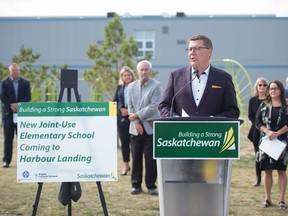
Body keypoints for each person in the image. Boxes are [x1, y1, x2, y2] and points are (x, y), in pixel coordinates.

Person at [159, 34, 239, 118]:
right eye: (190, 49)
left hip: (211, 130)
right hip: (181, 130)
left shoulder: (224, 78)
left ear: (209, 52)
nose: (192, 52)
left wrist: (215, 121)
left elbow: (233, 111)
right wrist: (175, 119)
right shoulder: (175, 76)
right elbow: (164, 106)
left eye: (197, 48)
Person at [127, 60, 162, 195]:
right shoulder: (130, 87)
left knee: (150, 159)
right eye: (141, 69)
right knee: (135, 157)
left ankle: (151, 186)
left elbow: (153, 106)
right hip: (135, 127)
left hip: (151, 127)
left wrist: (136, 115)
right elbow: (129, 106)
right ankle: (136, 185)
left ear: (150, 71)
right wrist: (136, 122)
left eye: (146, 69)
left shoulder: (157, 86)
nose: (144, 72)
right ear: (138, 71)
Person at [255, 80, 288, 209]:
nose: (272, 91)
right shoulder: (264, 105)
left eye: (275, 88)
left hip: (281, 142)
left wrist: (277, 133)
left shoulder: (286, 107)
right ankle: (267, 199)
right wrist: (267, 131)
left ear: (281, 90)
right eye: (271, 89)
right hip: (266, 143)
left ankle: (282, 200)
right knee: (267, 170)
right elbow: (258, 121)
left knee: (281, 170)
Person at [1, 63, 31, 168]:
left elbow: (28, 97)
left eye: (16, 70)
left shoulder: (26, 83)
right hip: (8, 115)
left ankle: (24, 161)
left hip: (22, 115)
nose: (15, 71)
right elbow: (2, 96)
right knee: (8, 139)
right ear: (9, 72)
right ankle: (6, 161)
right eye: (13, 70)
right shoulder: (4, 83)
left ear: (19, 71)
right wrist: (12, 106)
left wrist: (18, 105)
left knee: (22, 139)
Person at [113, 66, 135, 176]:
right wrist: (121, 108)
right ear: (122, 77)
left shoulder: (137, 86)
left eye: (128, 75)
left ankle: (135, 166)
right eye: (124, 75)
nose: (127, 77)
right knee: (124, 144)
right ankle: (126, 166)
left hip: (134, 119)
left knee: (134, 144)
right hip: (122, 120)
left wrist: (130, 111)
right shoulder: (119, 87)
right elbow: (115, 101)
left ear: (132, 76)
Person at [247, 77, 269, 186]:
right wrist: (257, 125)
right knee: (258, 155)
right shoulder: (252, 100)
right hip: (256, 132)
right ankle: (258, 177)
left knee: (267, 155)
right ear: (257, 87)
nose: (262, 87)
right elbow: (250, 115)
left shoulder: (270, 100)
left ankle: (267, 177)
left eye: (264, 85)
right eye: (260, 85)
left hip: (268, 131)